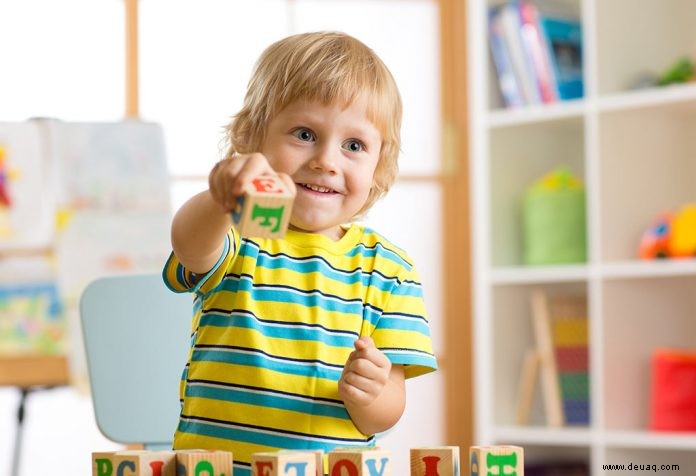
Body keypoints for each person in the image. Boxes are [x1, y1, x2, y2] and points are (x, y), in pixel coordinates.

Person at [163, 31, 437, 475]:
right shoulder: (240, 233)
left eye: (354, 146)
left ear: (378, 167)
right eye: (305, 134)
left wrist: (371, 393)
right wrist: (221, 197)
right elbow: (189, 246)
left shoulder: (390, 270)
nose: (327, 161)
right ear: (252, 138)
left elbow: (388, 409)